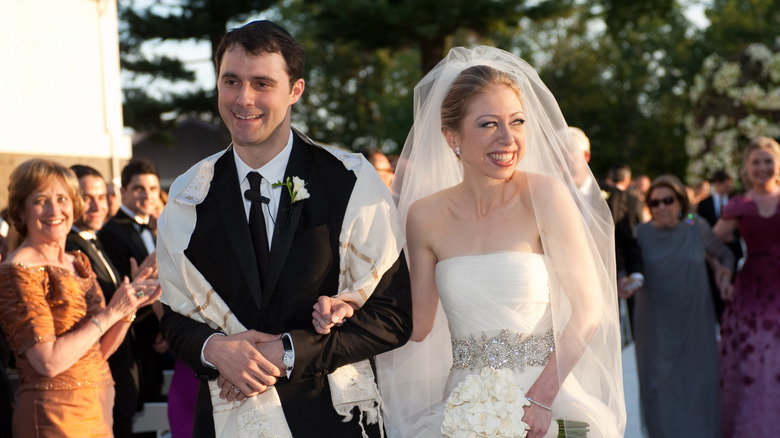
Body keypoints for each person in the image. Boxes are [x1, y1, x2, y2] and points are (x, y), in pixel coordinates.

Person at [339, 46, 624, 438]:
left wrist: (539, 400)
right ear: (451, 136)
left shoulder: (546, 195)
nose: (508, 138)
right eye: (489, 124)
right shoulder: (424, 215)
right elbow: (417, 325)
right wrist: (352, 302)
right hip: (466, 410)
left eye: (518, 121)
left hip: (547, 401)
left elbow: (589, 310)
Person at [156, 20, 412, 438]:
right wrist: (214, 349)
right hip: (226, 422)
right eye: (231, 81)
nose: (244, 98)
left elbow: (393, 316)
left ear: (295, 90)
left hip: (328, 420)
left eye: (262, 83)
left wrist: (288, 353)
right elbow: (174, 316)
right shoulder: (189, 193)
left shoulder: (348, 181)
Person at [0, 159, 160, 437]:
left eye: (62, 198)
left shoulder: (78, 261)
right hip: (54, 416)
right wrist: (111, 313)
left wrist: (128, 308)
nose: (55, 210)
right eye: (41, 200)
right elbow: (47, 362)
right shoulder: (19, 271)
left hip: (97, 410)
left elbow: (97, 353)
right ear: (21, 211)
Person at [629, 175, 732, 438]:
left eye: (668, 200)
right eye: (655, 202)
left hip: (695, 323)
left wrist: (723, 273)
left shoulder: (695, 226)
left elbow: (724, 254)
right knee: (659, 391)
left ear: (680, 202)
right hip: (655, 329)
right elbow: (623, 268)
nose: (662, 207)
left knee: (699, 388)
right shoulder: (638, 234)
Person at [65, 164, 154, 438]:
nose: (96, 206)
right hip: (95, 374)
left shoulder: (93, 240)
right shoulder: (69, 249)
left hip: (122, 372)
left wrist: (137, 290)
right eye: (86, 197)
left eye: (102, 197)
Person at [713, 136, 780, 438]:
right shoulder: (740, 205)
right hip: (752, 290)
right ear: (746, 168)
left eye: (768, 160)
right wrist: (722, 271)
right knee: (756, 361)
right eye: (756, 162)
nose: (763, 167)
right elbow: (708, 240)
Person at [98, 158, 165, 407]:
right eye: (139, 189)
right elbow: (122, 288)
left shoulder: (157, 227)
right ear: (123, 191)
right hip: (133, 340)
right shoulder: (111, 233)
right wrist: (162, 327)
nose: (147, 196)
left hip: (155, 337)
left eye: (153, 189)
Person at [698, 170, 743, 323]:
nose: (729, 187)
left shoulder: (737, 200)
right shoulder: (703, 204)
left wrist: (734, 236)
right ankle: (721, 318)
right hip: (712, 254)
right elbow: (692, 221)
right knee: (715, 285)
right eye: (726, 183)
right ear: (717, 184)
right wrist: (688, 216)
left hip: (733, 250)